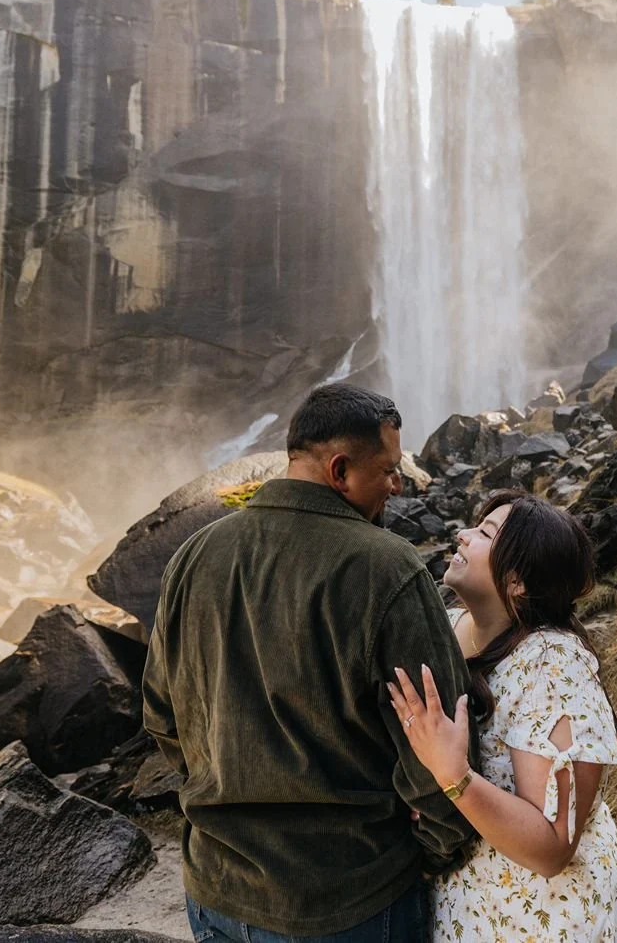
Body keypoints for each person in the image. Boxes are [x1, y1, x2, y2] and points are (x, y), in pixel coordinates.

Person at [143, 383, 479, 942]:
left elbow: (160, 713)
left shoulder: (193, 556)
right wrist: (435, 851)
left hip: (217, 891)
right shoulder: (387, 568)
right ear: (340, 470)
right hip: (351, 900)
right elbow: (436, 738)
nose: (399, 484)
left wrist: (213, 794)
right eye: (390, 470)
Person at [388, 490, 617, 941]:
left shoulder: (553, 665)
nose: (461, 534)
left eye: (485, 532)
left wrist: (452, 776)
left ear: (517, 581)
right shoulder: (449, 628)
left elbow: (552, 846)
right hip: (470, 908)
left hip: (546, 919)